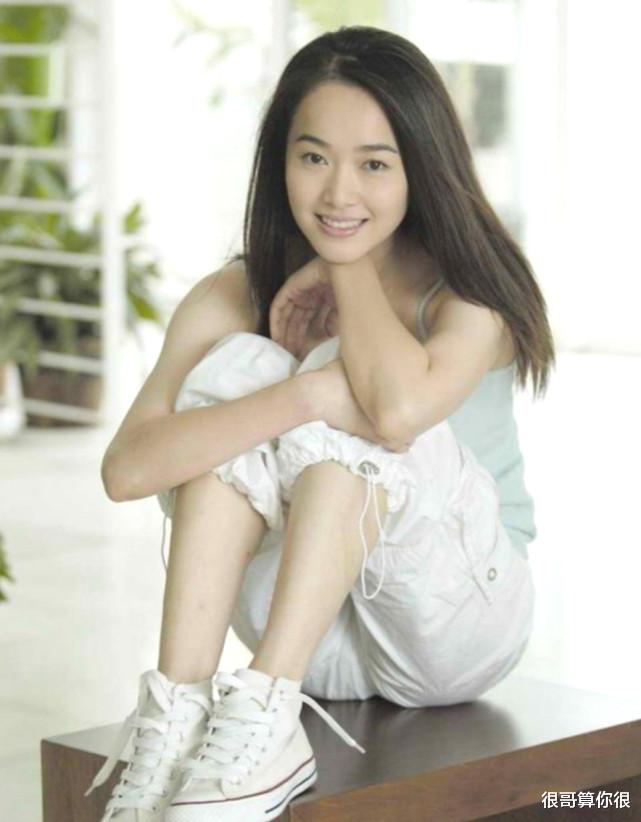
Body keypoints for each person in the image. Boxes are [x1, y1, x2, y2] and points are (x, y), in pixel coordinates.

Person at [85, 24, 555, 822]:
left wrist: (345, 265)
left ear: (422, 169)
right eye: (313, 158)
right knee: (254, 369)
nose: (338, 193)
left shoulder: (469, 293)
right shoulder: (233, 291)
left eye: (373, 164)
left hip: (454, 628)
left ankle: (265, 705)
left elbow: (396, 413)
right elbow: (127, 471)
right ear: (281, 162)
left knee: (351, 383)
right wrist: (303, 397)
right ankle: (182, 710)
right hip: (308, 631)